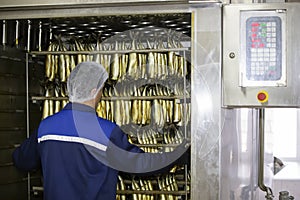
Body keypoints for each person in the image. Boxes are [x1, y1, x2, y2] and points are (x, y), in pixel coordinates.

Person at [12, 61, 190, 200]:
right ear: (94, 91)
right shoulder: (106, 132)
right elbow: (141, 165)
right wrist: (179, 155)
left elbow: (22, 161)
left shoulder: (46, 127)